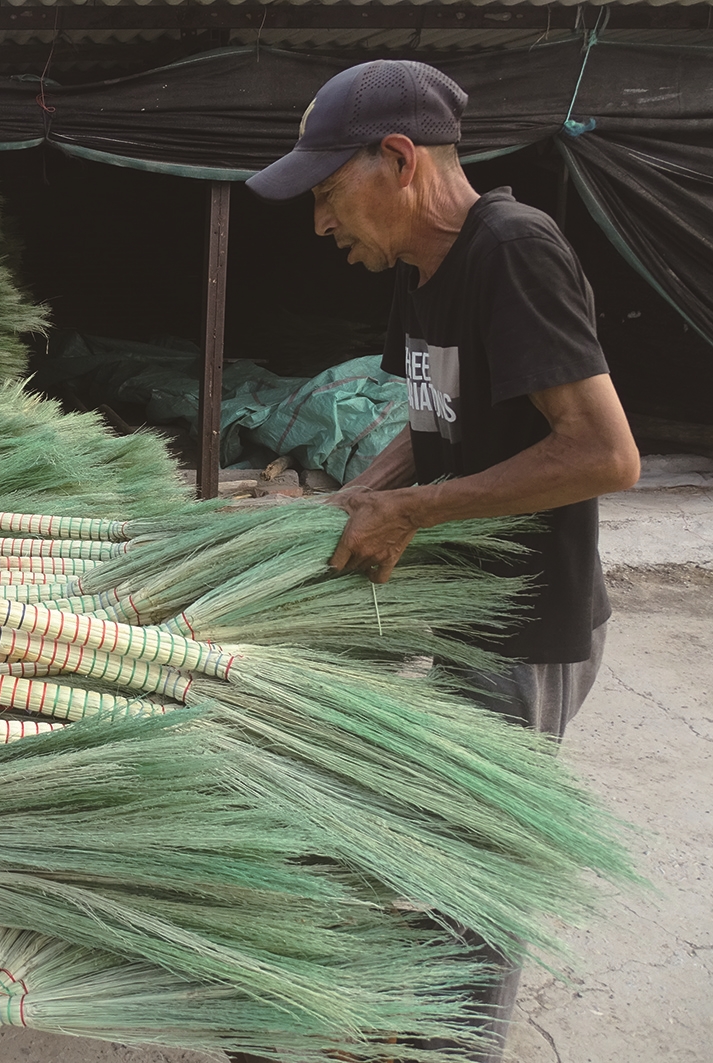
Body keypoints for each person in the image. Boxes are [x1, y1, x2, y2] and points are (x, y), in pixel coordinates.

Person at [243, 59, 642, 1063]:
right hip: (464, 615)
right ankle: (408, 1019)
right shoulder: (422, 270)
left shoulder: (514, 251)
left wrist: (410, 515)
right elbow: (430, 424)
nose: (323, 225)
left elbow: (606, 453)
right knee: (431, 831)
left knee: (478, 867)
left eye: (330, 195)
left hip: (530, 624)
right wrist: (359, 498)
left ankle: (457, 1048)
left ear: (398, 161)